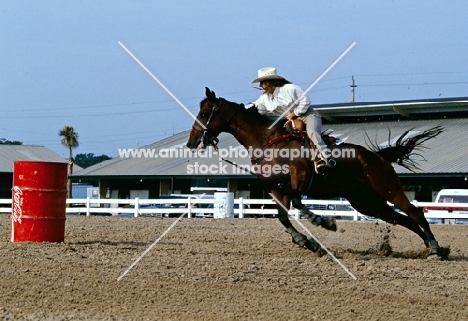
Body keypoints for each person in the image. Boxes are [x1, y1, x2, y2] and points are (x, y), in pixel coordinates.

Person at [247, 67, 330, 174]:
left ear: (270, 82)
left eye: (262, 82)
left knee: (312, 132)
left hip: (308, 116)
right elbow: (253, 108)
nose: (260, 86)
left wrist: (294, 113)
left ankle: (326, 158)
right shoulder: (264, 99)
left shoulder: (290, 89)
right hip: (290, 122)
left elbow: (305, 101)